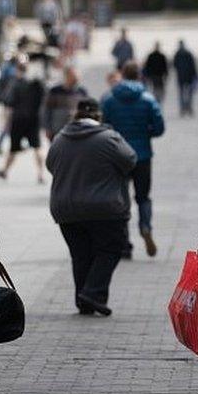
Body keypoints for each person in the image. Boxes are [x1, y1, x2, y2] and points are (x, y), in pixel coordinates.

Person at [46, 98, 137, 316]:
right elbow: (130, 160)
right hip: (104, 208)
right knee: (112, 248)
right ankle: (93, 292)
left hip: (66, 209)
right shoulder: (109, 138)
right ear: (98, 116)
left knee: (80, 254)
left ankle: (83, 300)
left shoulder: (60, 139)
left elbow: (51, 165)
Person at [100, 61, 165, 258]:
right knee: (143, 197)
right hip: (142, 155)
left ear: (122, 74)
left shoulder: (109, 99)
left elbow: (103, 126)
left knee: (121, 200)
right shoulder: (147, 99)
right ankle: (145, 226)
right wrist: (146, 133)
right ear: (139, 76)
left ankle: (124, 244)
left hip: (118, 155)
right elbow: (160, 128)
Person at [0, 62, 46, 183]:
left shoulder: (15, 84)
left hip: (18, 118)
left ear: (18, 70)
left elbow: (8, 102)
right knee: (37, 146)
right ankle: (41, 174)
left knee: (14, 147)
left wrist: (7, 121)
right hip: (34, 119)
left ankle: (5, 170)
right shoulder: (36, 83)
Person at [42, 67, 89, 141]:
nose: (76, 79)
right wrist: (47, 128)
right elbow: (47, 110)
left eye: (77, 77)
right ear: (67, 76)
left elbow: (87, 110)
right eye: (73, 77)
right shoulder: (55, 91)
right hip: (58, 130)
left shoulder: (82, 92)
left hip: (76, 130)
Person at [173, 40, 198, 117]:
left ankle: (183, 109)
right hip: (189, 77)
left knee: (181, 94)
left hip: (181, 77)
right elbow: (193, 65)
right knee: (189, 94)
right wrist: (195, 75)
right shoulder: (188, 53)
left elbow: (174, 65)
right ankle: (189, 107)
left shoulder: (177, 54)